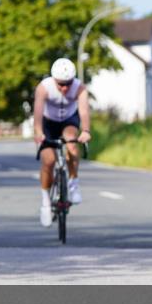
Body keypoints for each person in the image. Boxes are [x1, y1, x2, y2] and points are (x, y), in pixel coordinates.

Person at [33, 58, 91, 227]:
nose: (65, 88)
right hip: (48, 122)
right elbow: (37, 113)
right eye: (60, 84)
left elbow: (84, 111)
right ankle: (45, 202)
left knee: (72, 145)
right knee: (49, 161)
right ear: (54, 80)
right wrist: (38, 132)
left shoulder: (79, 88)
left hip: (68, 120)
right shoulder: (44, 87)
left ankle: (73, 183)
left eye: (68, 84)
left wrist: (86, 131)